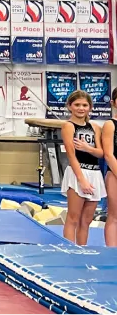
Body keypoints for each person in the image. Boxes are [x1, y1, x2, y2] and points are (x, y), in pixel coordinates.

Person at [60, 89, 105, 245]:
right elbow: (71, 155)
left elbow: (100, 153)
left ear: (90, 107)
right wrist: (82, 180)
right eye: (77, 104)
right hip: (77, 172)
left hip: (94, 172)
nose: (81, 108)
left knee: (86, 220)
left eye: (85, 105)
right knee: (73, 217)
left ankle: (82, 251)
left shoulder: (95, 127)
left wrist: (87, 148)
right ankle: (69, 251)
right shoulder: (68, 126)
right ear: (70, 106)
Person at [100, 89, 117, 246]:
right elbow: (108, 154)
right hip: (114, 173)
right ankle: (112, 251)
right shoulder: (110, 125)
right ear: (113, 103)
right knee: (114, 215)